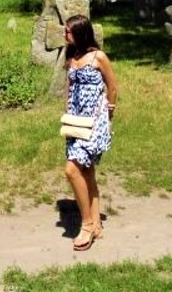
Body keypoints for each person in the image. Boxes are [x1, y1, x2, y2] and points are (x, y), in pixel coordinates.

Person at [62, 14, 117, 252]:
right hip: (75, 121)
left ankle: (85, 226)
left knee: (72, 169)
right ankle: (96, 225)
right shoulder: (72, 56)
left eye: (69, 31)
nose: (65, 35)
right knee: (86, 171)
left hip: (94, 121)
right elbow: (70, 87)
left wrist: (108, 114)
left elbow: (113, 86)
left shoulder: (99, 57)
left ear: (81, 33)